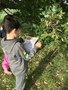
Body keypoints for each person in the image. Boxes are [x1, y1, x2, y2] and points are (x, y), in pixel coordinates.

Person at [1, 14, 41, 90]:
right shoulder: (17, 46)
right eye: (19, 29)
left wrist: (22, 39)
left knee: (18, 79)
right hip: (20, 70)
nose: (20, 31)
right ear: (14, 31)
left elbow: (10, 45)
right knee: (20, 85)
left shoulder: (3, 40)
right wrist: (36, 47)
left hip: (13, 65)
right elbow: (27, 57)